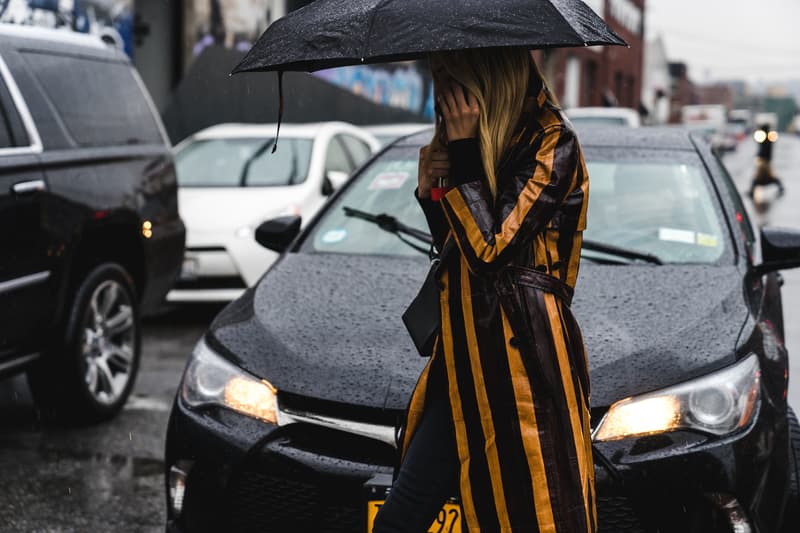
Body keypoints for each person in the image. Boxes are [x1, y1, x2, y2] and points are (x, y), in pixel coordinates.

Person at [374, 47, 594, 533]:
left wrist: (467, 155)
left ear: (485, 77)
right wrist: (433, 191)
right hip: (463, 361)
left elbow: (493, 248)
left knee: (531, 514)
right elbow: (457, 249)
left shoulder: (552, 141)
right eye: (441, 86)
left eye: (454, 84)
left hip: (523, 366)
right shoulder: (475, 142)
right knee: (402, 515)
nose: (447, 99)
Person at [749, 123, 785, 198]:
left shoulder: (769, 137)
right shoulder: (764, 137)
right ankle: (752, 191)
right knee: (764, 176)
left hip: (765, 160)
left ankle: (752, 191)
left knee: (761, 176)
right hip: (764, 159)